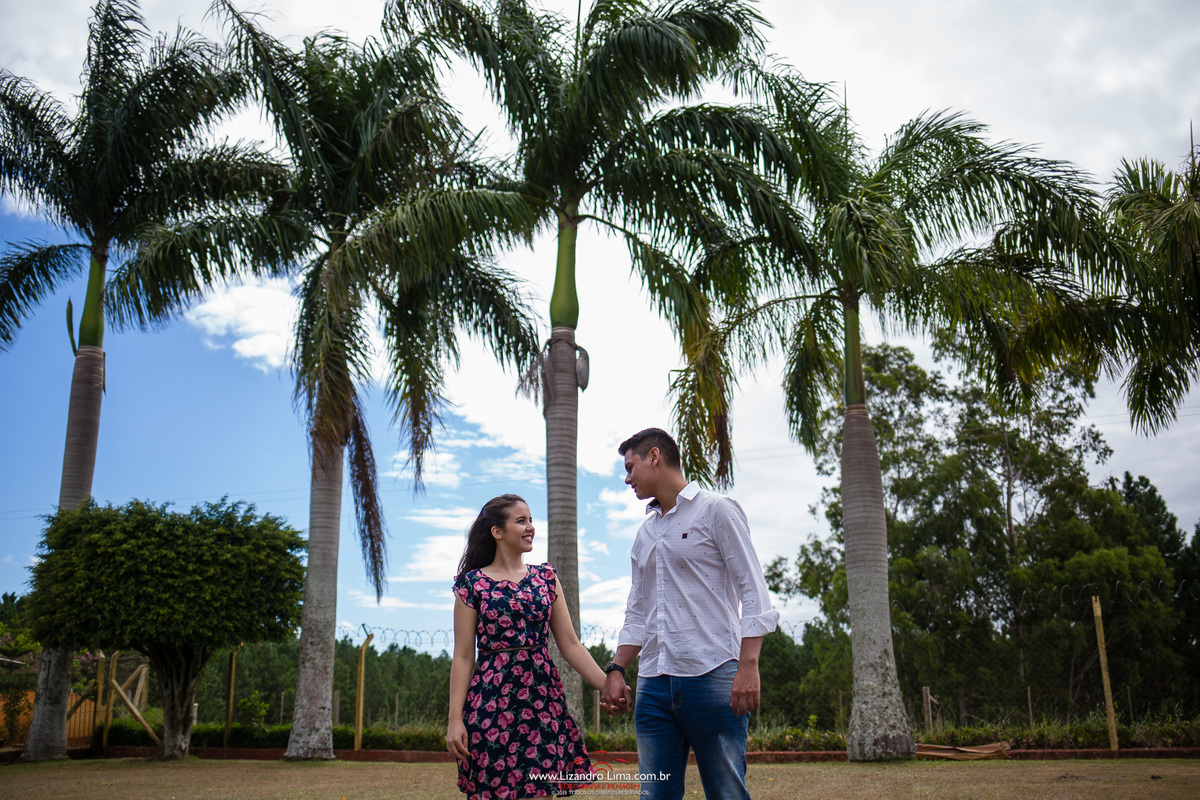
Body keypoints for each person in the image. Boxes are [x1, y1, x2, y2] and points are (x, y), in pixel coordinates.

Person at [600, 428, 780, 800]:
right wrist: (616, 669)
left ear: (654, 457)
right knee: (655, 795)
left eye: (630, 467)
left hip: (713, 676)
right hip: (653, 683)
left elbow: (754, 590)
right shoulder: (645, 533)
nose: (627, 478)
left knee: (726, 793)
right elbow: (637, 611)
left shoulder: (717, 510)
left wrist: (748, 665)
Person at [447, 494, 628, 800]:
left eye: (531, 520)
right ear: (497, 531)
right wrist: (455, 720)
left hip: (542, 702)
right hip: (490, 703)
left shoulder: (546, 578)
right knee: (492, 790)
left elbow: (571, 645)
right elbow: (463, 656)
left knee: (541, 790)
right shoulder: (471, 584)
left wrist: (607, 686)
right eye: (521, 521)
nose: (531, 527)